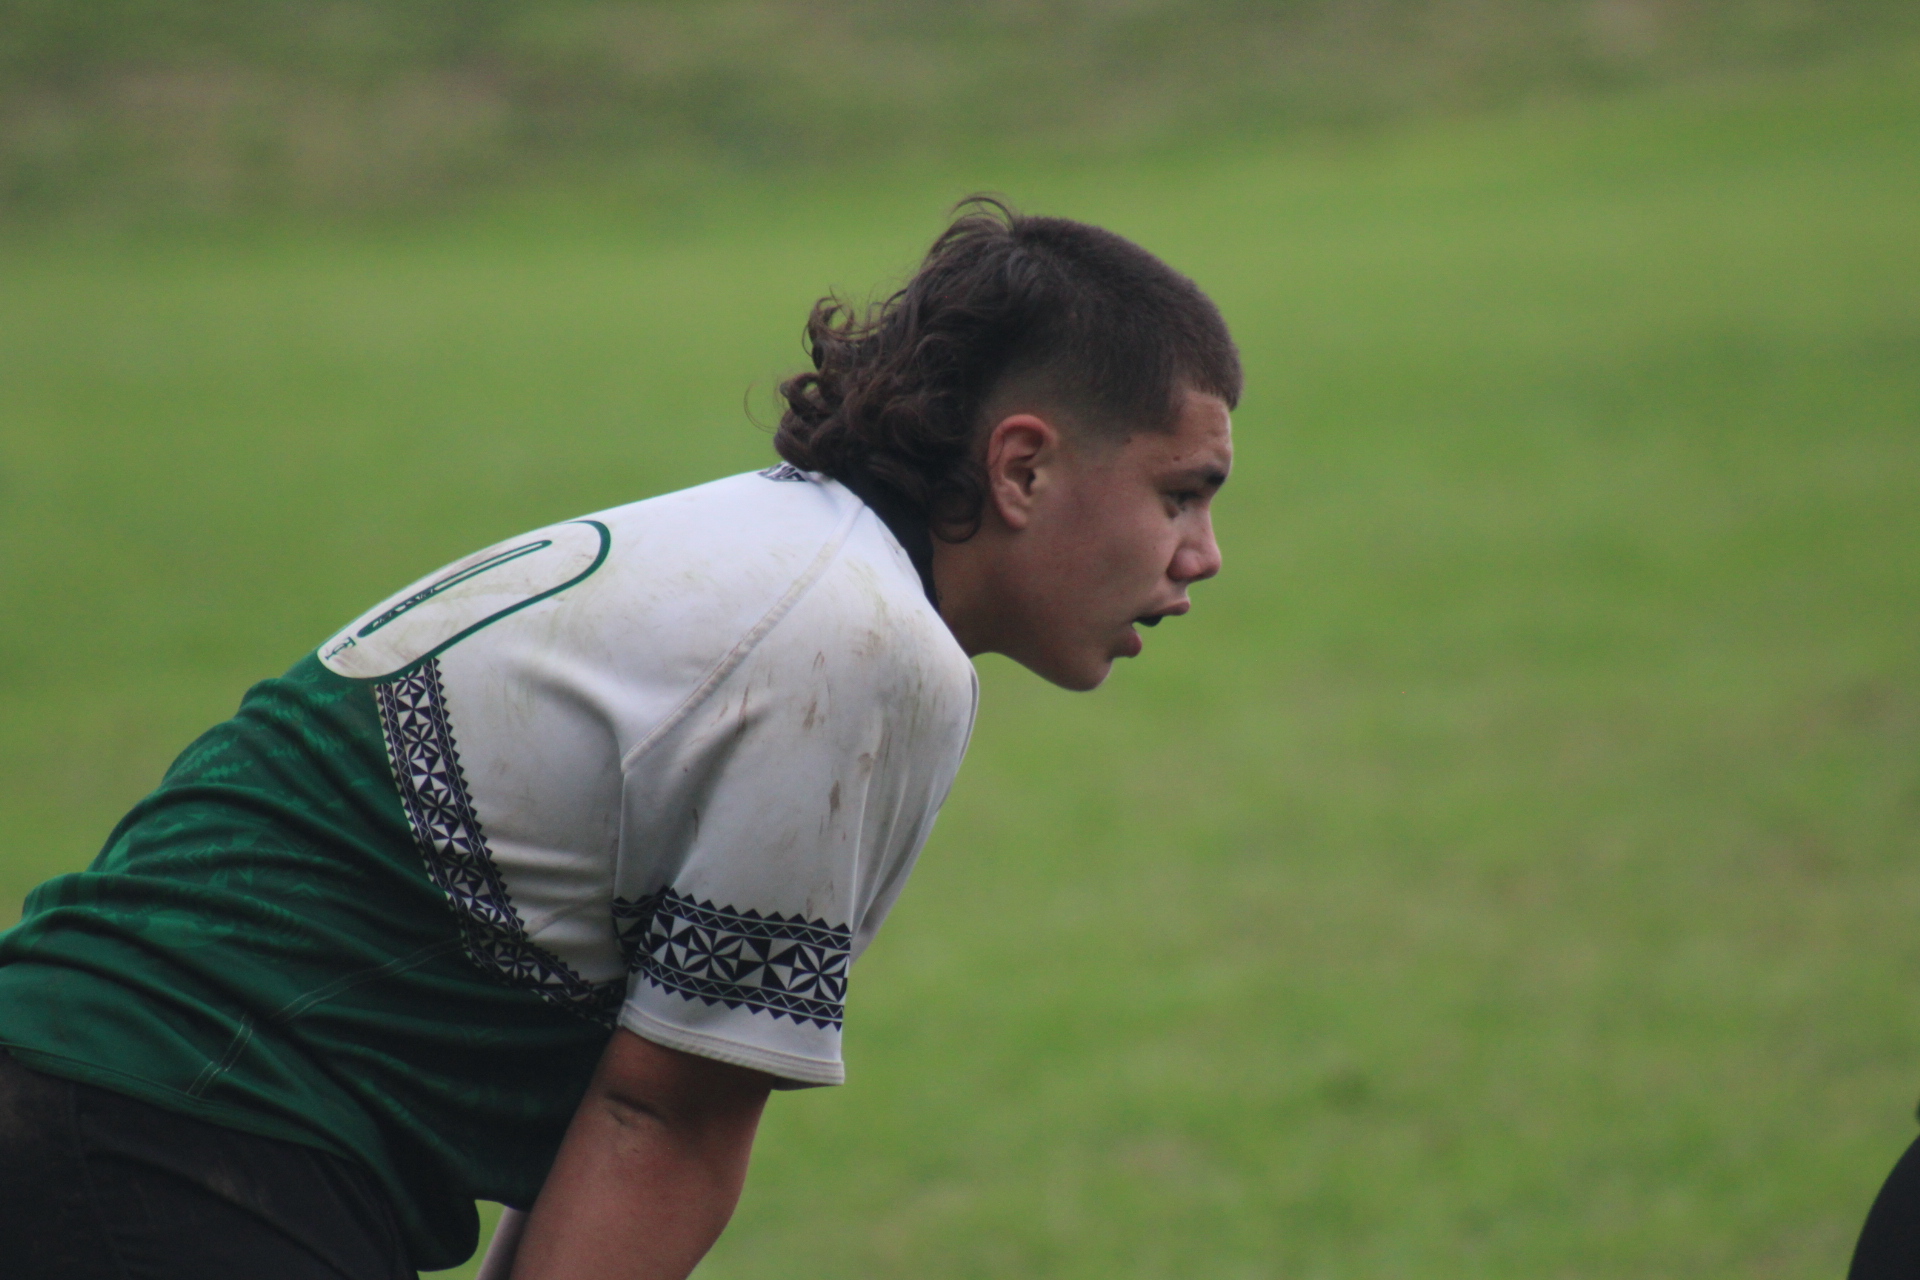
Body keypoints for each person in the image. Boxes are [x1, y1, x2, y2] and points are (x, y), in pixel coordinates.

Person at [0, 197, 1240, 1280]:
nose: (1204, 555)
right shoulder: (859, 644)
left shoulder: (782, 554)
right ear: (1022, 468)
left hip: (94, 1083)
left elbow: (623, 1099)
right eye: (1178, 493)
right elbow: (669, 1121)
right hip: (172, 1121)